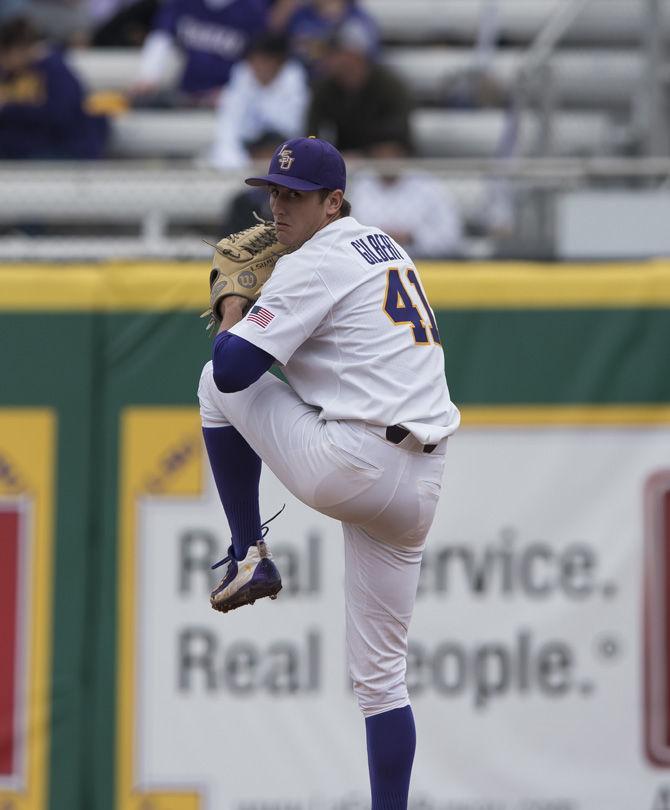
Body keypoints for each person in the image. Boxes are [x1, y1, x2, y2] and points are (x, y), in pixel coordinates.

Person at [197, 136, 460, 808]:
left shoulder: (313, 262)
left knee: (211, 381)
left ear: (333, 201)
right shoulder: (385, 246)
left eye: (295, 196)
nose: (278, 208)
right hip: (420, 482)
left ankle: (245, 551)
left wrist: (234, 304)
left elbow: (234, 371)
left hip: (352, 462)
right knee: (381, 682)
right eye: (273, 193)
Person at [0, 14, 109, 159]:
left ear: (16, 50)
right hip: (33, 146)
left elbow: (58, 115)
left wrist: (8, 108)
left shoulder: (55, 70)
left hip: (64, 148)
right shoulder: (14, 73)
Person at [132, 0, 268, 107]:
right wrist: (148, 76)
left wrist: (232, 93)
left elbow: (258, 58)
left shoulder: (252, 7)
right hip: (186, 92)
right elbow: (162, 36)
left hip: (227, 99)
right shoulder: (183, 3)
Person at [307, 17, 412, 155]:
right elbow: (312, 133)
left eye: (334, 52)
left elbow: (398, 132)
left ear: (354, 54)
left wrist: (363, 154)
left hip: (384, 165)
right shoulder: (324, 88)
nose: (327, 59)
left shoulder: (390, 86)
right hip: (340, 162)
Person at [349, 135, 464, 258]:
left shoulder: (427, 185)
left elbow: (452, 236)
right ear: (373, 155)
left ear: (404, 154)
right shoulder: (359, 184)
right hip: (369, 263)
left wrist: (412, 237)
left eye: (393, 154)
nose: (387, 159)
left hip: (423, 263)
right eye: (381, 154)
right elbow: (347, 234)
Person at [208, 32, 308, 170]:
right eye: (254, 60)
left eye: (265, 61)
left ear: (279, 62)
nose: (258, 66)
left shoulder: (295, 81)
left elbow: (294, 129)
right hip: (246, 154)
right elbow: (228, 131)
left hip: (284, 153)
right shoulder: (240, 78)